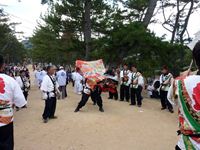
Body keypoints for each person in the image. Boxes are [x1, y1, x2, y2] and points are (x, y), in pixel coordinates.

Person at [168, 41, 200, 150]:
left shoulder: (179, 83)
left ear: (195, 61)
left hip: (187, 144)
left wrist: (182, 78)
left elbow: (172, 100)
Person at [0, 55, 27, 150]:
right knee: (6, 144)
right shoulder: (10, 80)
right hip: (5, 119)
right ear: (3, 65)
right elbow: (21, 102)